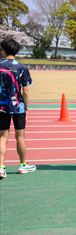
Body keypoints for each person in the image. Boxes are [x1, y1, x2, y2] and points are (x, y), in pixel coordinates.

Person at [0, 37, 36, 178]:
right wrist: (26, 106)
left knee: (2, 137)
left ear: (4, 50)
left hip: (2, 106)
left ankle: (1, 167)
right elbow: (25, 90)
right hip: (18, 107)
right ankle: (22, 165)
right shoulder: (22, 67)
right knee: (20, 136)